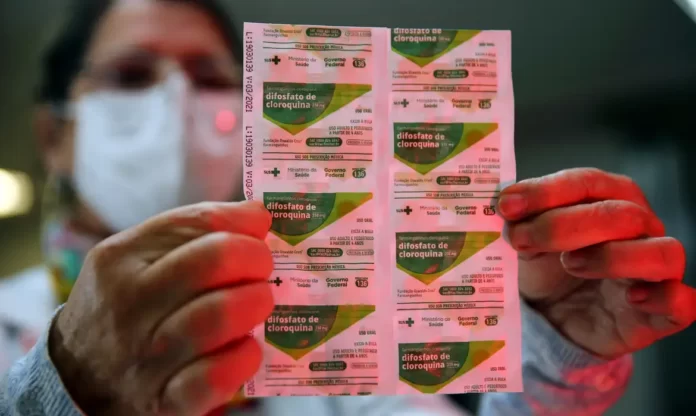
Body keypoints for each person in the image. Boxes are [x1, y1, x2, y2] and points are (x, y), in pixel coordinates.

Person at [1, 0, 695, 415]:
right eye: (131, 75)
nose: (177, 104)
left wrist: (558, 357)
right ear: (54, 135)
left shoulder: (333, 335)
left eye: (210, 77)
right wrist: (63, 393)